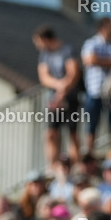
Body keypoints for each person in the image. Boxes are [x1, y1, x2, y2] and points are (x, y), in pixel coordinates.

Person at [33, 25, 81, 165]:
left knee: (72, 134)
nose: (37, 45)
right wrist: (59, 86)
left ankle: (75, 165)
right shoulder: (44, 55)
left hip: (70, 97)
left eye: (38, 41)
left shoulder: (67, 50)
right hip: (54, 99)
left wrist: (62, 91)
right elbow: (44, 77)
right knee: (50, 133)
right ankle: (52, 166)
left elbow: (73, 74)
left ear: (45, 39)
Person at [80, 17, 111, 152]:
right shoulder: (92, 43)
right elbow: (90, 60)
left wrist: (103, 60)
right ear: (102, 28)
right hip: (95, 91)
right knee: (91, 124)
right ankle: (89, 154)